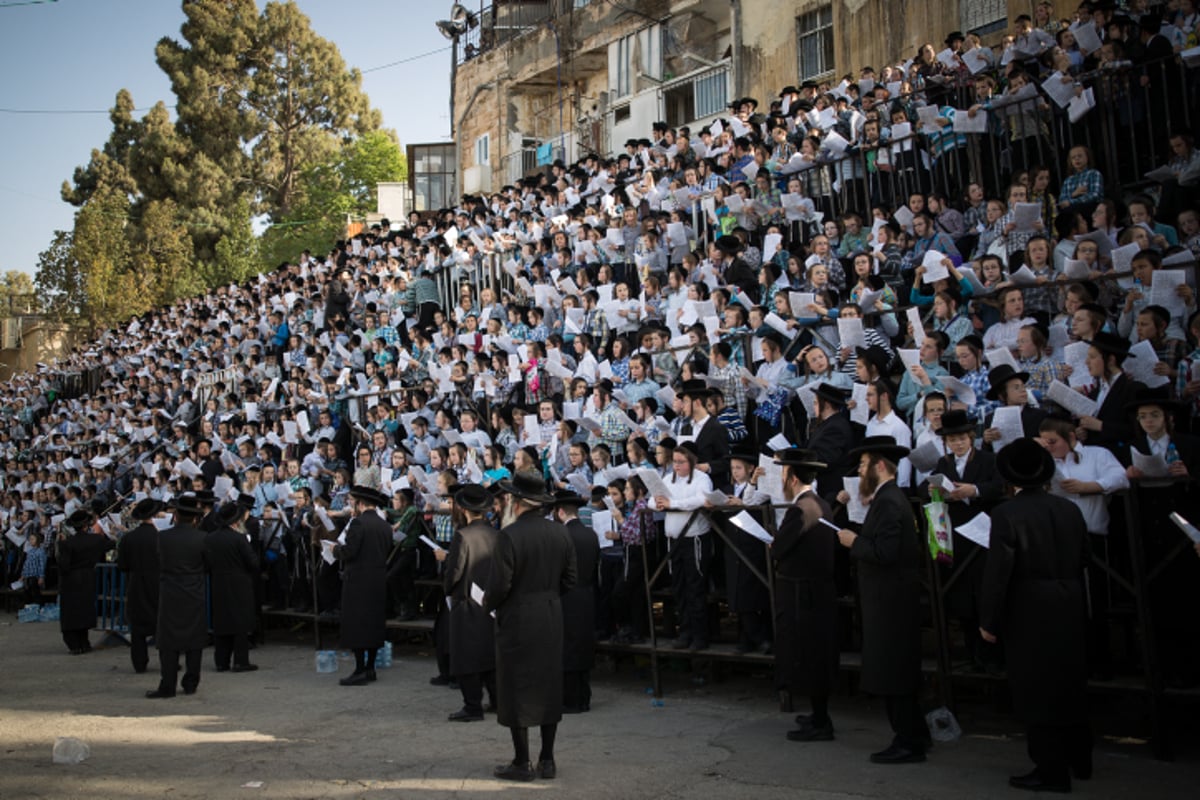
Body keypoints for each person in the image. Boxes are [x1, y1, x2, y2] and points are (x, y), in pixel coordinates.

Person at [980, 438, 1092, 793]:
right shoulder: (1068, 509)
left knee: (1036, 689)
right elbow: (1086, 556)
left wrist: (989, 621)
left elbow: (999, 573)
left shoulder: (1006, 513)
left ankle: (1050, 770)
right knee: (1069, 682)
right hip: (1070, 599)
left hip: (1029, 606)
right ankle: (1080, 759)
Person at [835, 436, 928, 764]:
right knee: (894, 669)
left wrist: (853, 541)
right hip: (888, 599)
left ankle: (908, 740)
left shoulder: (889, 501)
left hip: (890, 602)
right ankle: (915, 733)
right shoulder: (887, 497)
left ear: (878, 465)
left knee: (894, 671)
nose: (859, 472)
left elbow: (885, 552)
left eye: (862, 465)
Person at [485, 471, 577, 782]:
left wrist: (487, 605)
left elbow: (499, 585)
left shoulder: (508, 536)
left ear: (516, 501)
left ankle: (521, 761)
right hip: (550, 614)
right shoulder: (560, 533)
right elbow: (570, 580)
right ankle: (547, 759)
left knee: (516, 686)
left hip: (517, 616)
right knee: (549, 683)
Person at [772, 448, 838, 743]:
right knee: (814, 655)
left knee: (809, 656)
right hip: (815, 589)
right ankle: (817, 714)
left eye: (783, 474)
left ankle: (821, 721)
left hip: (803, 593)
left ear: (793, 477)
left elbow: (779, 548)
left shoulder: (802, 509)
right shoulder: (820, 502)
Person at [441, 484, 499, 722]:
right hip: (491, 602)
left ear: (464, 509)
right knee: (490, 653)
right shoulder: (497, 534)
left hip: (466, 602)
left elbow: (454, 572)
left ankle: (472, 705)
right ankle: (497, 700)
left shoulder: (462, 536)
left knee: (466, 656)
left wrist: (448, 589)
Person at [148, 493, 209, 698]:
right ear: (194, 518)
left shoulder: (163, 538)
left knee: (168, 641)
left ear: (176, 516)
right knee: (194, 640)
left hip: (170, 591)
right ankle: (191, 682)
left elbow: (158, 561)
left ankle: (168, 685)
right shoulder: (202, 538)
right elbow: (207, 565)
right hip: (194, 591)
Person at [330, 486, 393, 686]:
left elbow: (349, 552)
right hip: (377, 580)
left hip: (357, 581)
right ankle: (371, 668)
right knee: (373, 624)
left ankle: (359, 669)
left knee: (357, 625)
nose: (350, 505)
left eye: (351, 501)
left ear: (360, 503)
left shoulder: (358, 523)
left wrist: (335, 549)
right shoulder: (384, 525)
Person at [551, 489, 600, 713]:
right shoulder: (590, 534)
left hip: (566, 595)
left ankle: (570, 699)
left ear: (560, 512)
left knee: (566, 647)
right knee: (582, 645)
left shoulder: (562, 536)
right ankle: (584, 697)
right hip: (587, 594)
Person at [205, 496, 259, 673]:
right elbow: (253, 563)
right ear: (235, 521)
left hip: (218, 582)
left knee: (222, 622)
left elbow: (206, 562)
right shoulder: (239, 539)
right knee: (240, 623)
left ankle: (221, 661)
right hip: (239, 583)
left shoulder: (211, 538)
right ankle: (240, 661)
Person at [56, 507, 114, 655]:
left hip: (71, 579)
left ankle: (74, 645)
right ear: (86, 525)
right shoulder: (96, 540)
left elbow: (63, 565)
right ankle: (84, 642)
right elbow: (110, 544)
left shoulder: (68, 543)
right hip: (88, 576)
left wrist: (59, 545)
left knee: (70, 611)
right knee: (84, 609)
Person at [117, 498, 164, 673]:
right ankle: (166, 661)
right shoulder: (160, 537)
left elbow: (122, 565)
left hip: (136, 584)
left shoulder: (129, 538)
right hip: (157, 584)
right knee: (161, 625)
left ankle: (139, 662)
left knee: (137, 628)